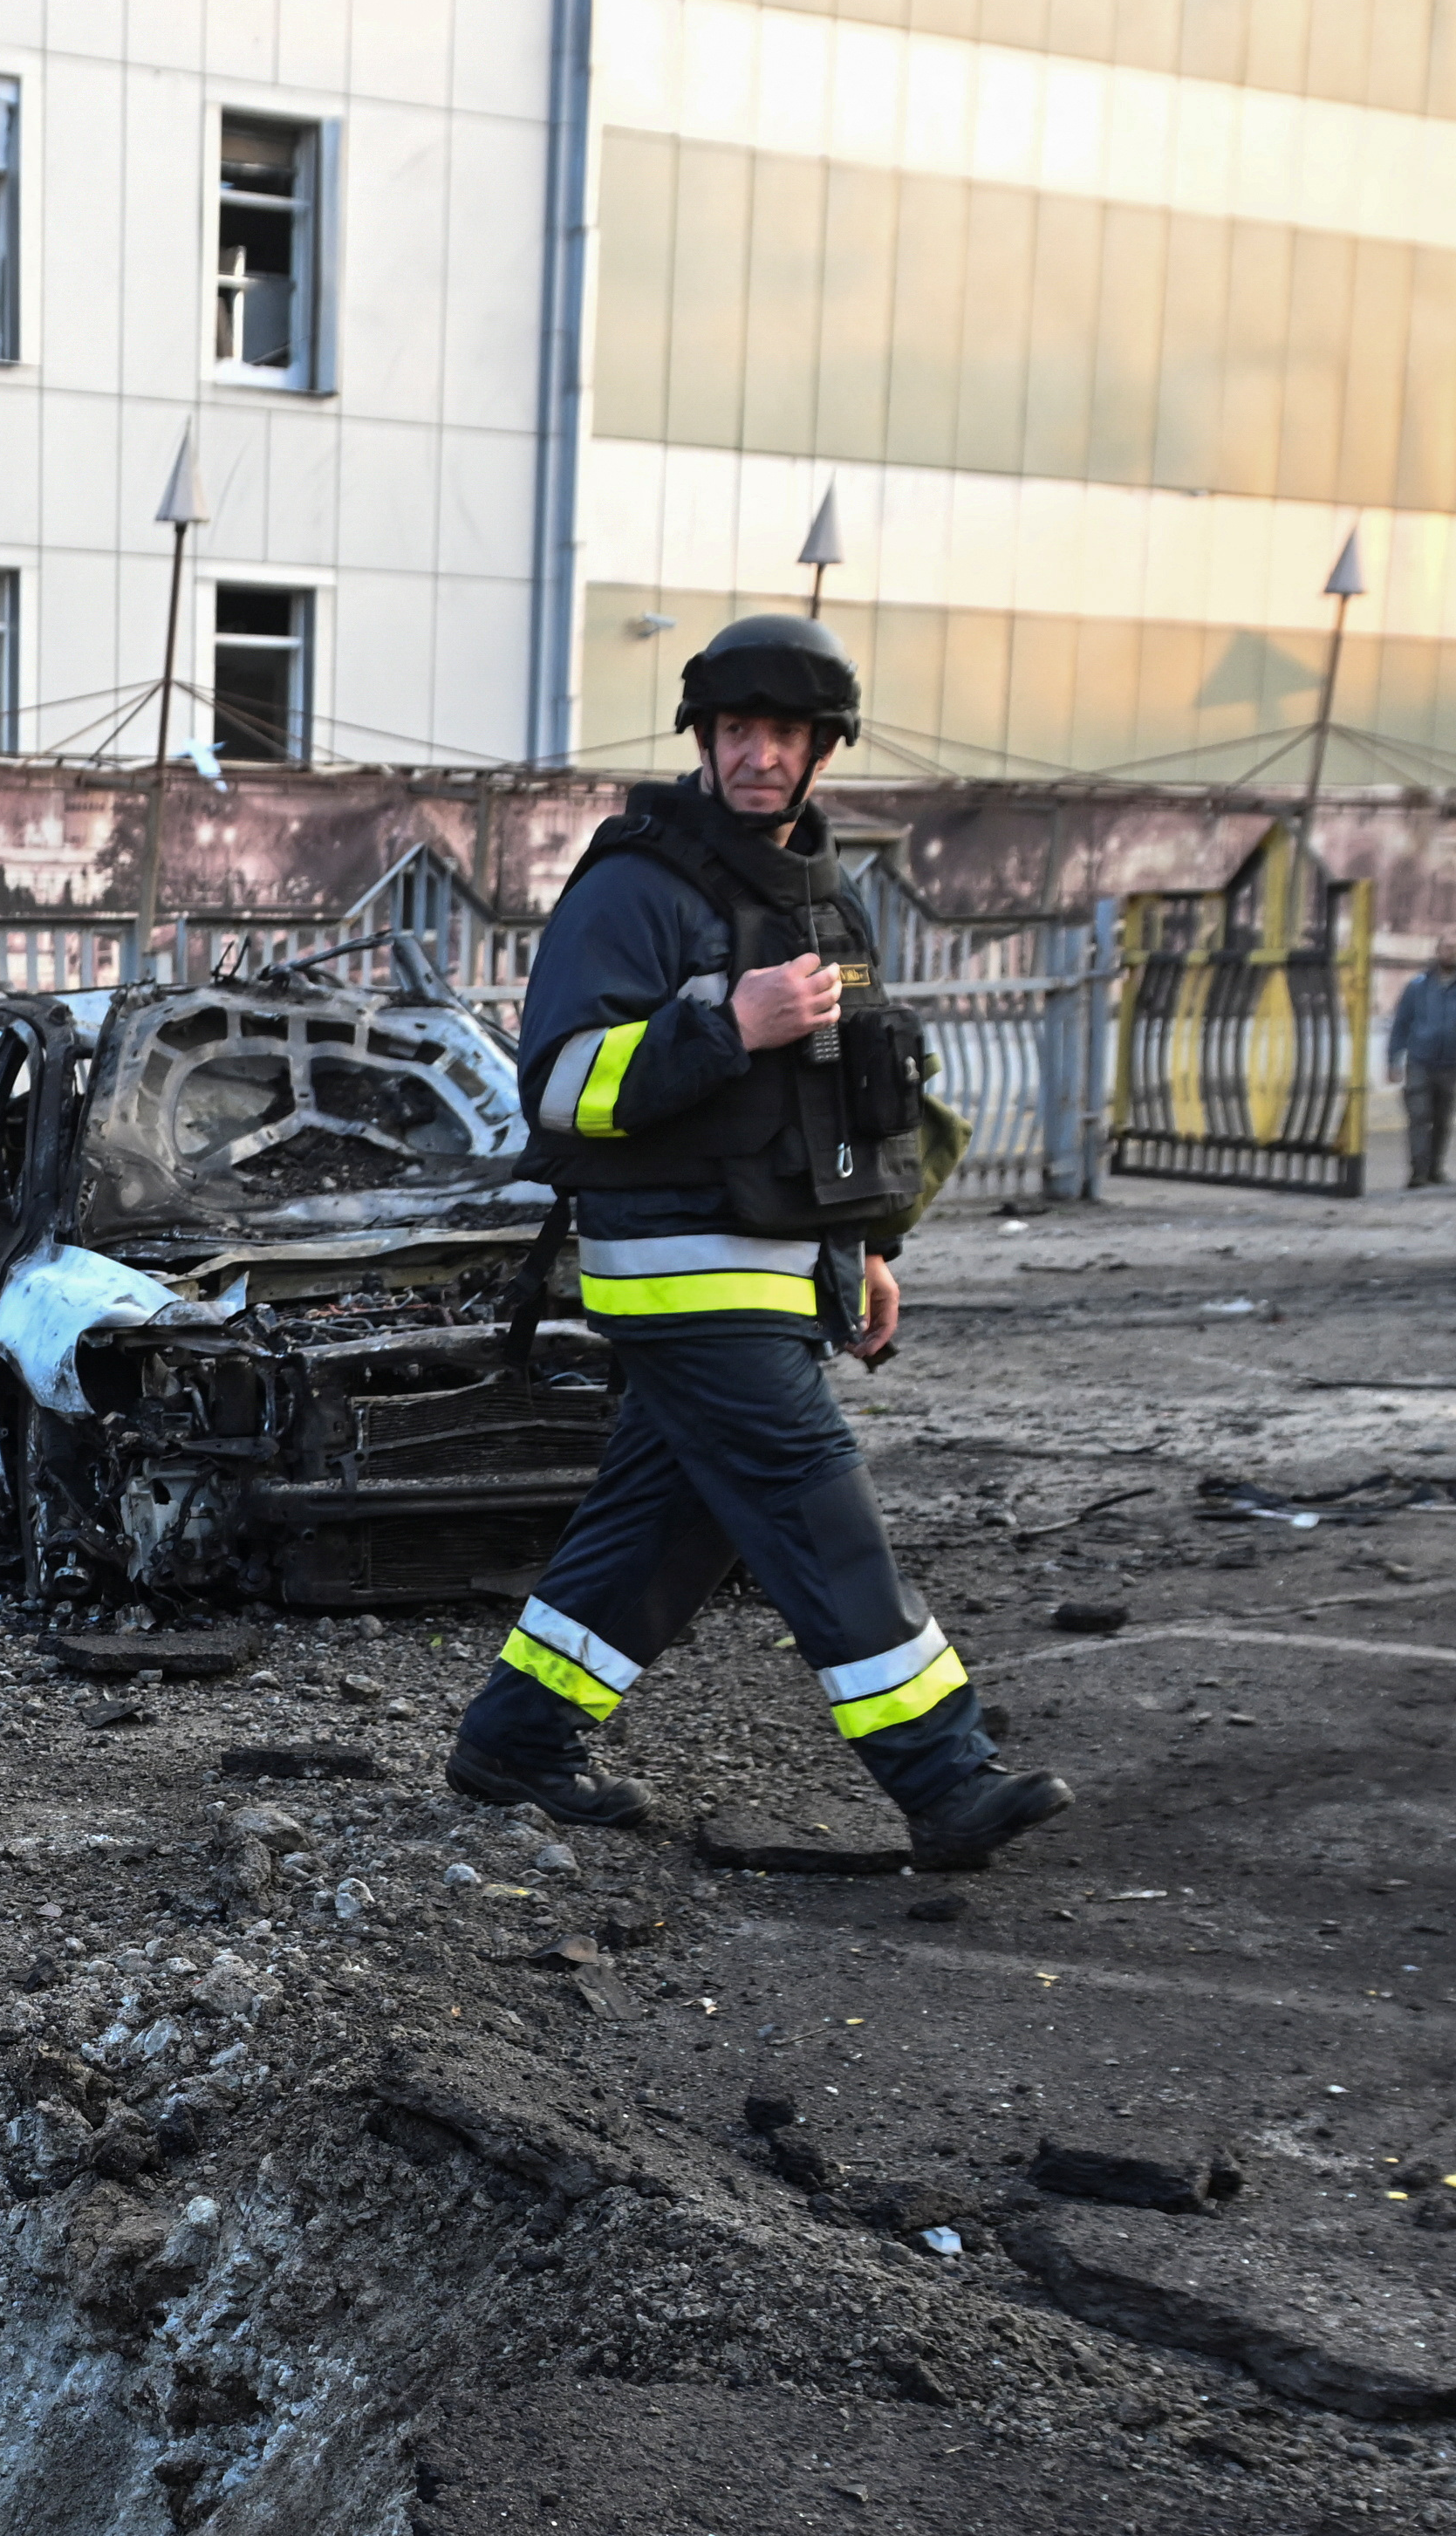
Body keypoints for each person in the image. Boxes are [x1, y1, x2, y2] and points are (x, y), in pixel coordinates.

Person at [442, 616, 1070, 1870]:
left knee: (666, 1528)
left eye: (784, 733)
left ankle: (515, 1741)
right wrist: (725, 1025)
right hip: (679, 1279)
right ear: (705, 739)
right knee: (818, 1510)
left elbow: (850, 1106)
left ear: (822, 750)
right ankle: (944, 1777)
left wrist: (871, 1252)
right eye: (737, 730)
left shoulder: (824, 899)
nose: (758, 755)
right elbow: (560, 1089)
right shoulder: (634, 886)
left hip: (787, 1277)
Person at [1387, 936, 1456, 1189]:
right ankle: (1418, 1172)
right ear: (1437, 951)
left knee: (1443, 1119)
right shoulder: (1418, 986)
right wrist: (1393, 1059)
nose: (1452, 953)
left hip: (1450, 1064)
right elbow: (1401, 1023)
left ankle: (1435, 1168)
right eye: (1448, 948)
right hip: (1419, 1062)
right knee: (1418, 1116)